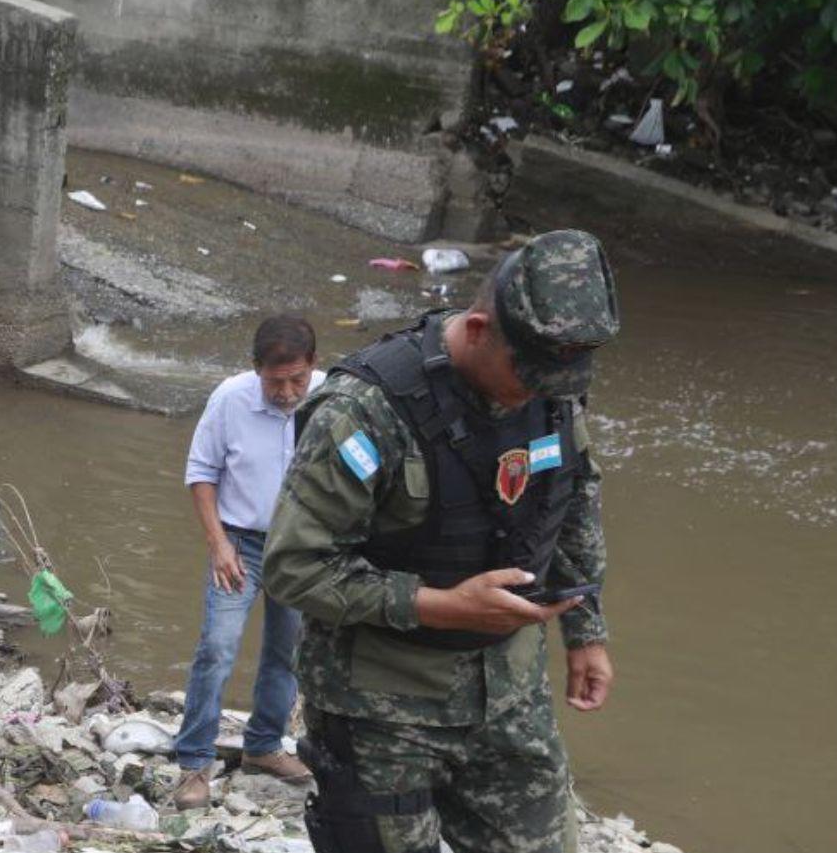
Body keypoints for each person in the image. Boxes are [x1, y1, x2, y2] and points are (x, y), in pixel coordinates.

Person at [263, 230, 620, 853]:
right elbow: (294, 568)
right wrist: (438, 603)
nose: (540, 392)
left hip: (508, 691)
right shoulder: (366, 411)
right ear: (479, 329)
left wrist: (585, 630)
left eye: (555, 379)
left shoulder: (552, 390)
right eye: (528, 374)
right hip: (379, 709)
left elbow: (571, 499)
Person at [172, 314, 327, 810]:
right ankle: (194, 763)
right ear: (255, 369)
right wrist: (218, 544)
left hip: (301, 546)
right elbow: (201, 473)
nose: (286, 393)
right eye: (275, 381)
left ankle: (263, 746)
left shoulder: (330, 398)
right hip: (239, 542)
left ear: (313, 367)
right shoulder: (229, 399)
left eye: (296, 380)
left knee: (289, 653)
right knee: (217, 647)